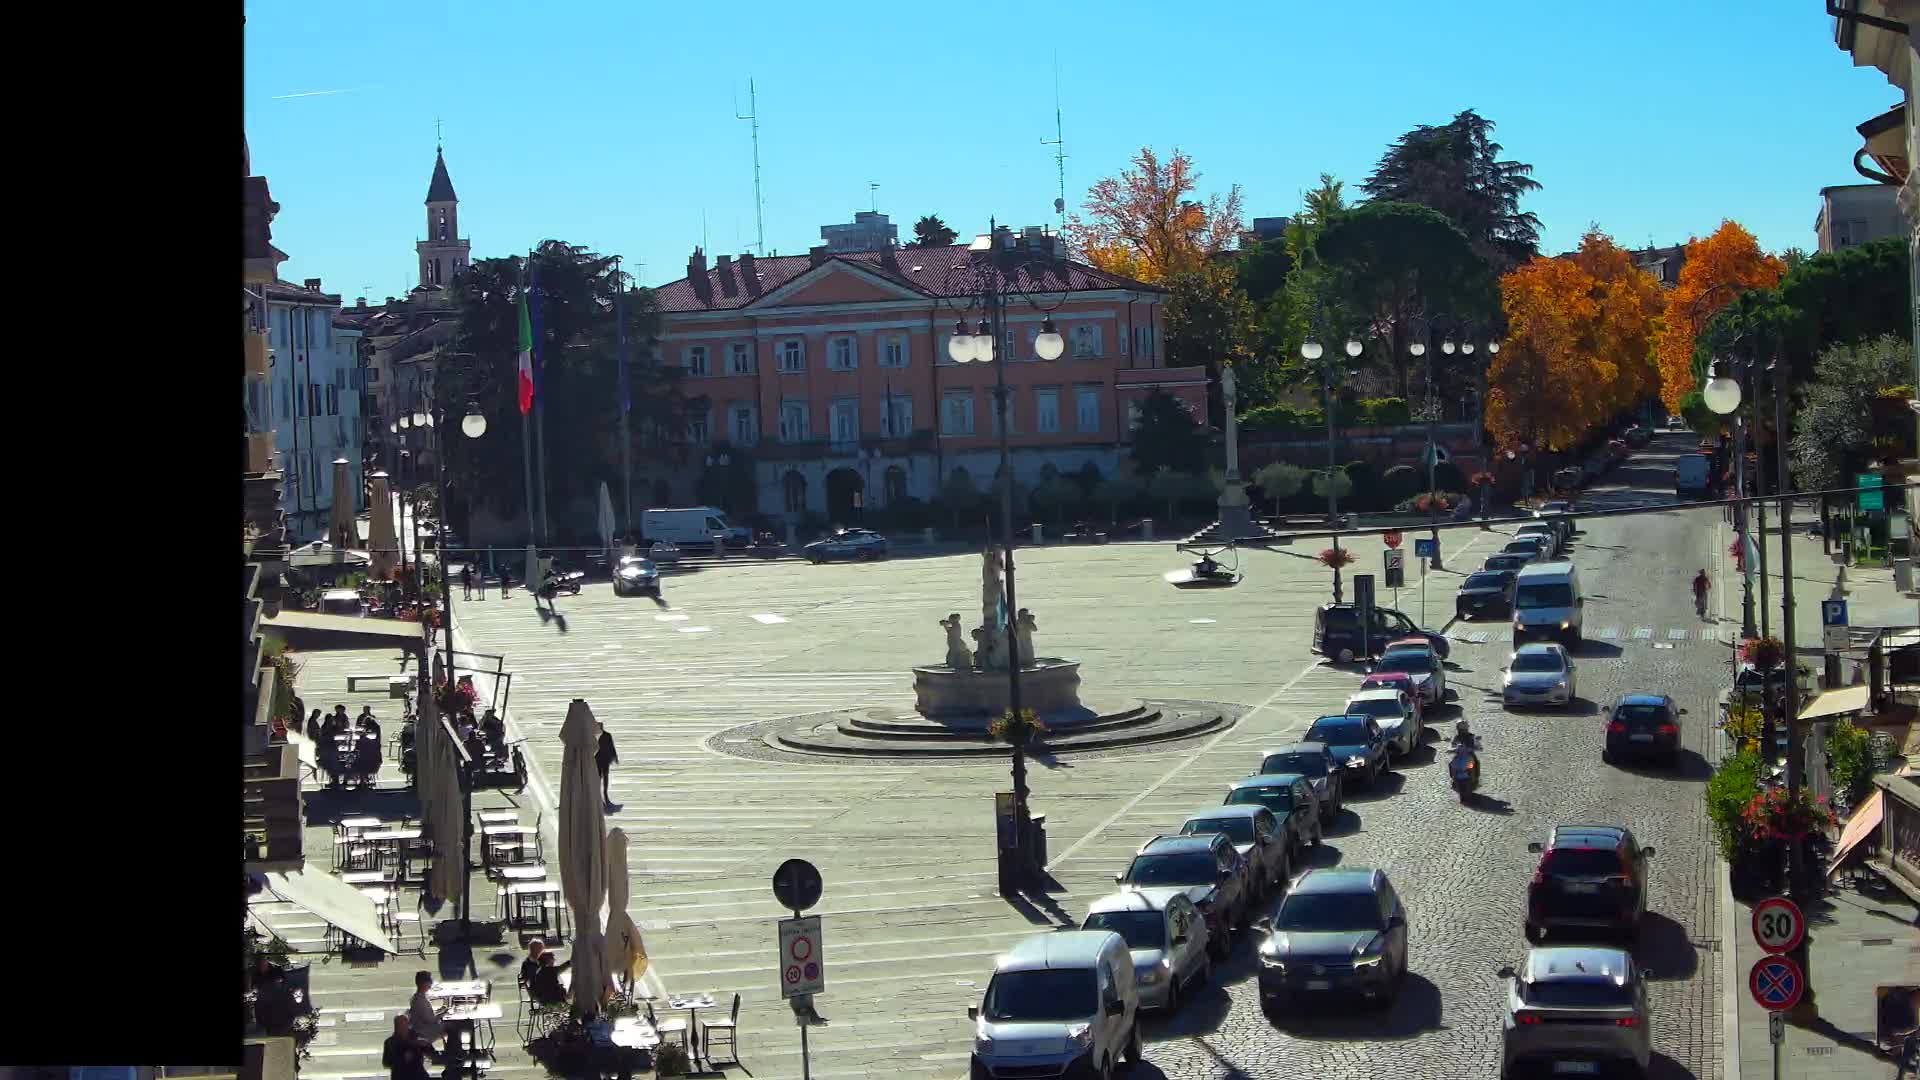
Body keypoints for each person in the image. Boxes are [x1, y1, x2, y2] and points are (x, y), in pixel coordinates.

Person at [383, 1015, 432, 1080]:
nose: (402, 1028)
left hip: (417, 1074)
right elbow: (386, 1062)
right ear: (396, 1027)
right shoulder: (390, 1043)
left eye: (404, 1025)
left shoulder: (417, 1038)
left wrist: (426, 1045)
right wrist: (402, 1058)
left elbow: (430, 1052)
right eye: (400, 1025)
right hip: (401, 1075)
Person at [407, 970, 446, 1048]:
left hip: (422, 1028)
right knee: (452, 1027)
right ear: (423, 984)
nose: (431, 985)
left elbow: (426, 1014)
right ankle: (454, 1052)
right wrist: (442, 1014)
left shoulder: (418, 997)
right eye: (429, 982)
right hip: (426, 1031)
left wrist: (441, 1010)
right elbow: (430, 1020)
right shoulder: (419, 1000)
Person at [596, 722, 618, 809]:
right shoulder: (593, 736)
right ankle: (599, 798)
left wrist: (614, 757)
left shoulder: (607, 735)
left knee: (605, 777)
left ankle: (605, 795)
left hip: (605, 761)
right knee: (598, 779)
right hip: (597, 761)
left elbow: (611, 746)